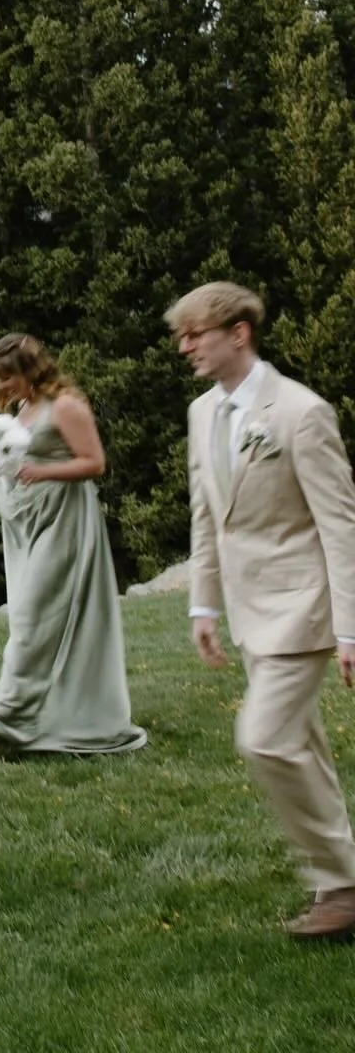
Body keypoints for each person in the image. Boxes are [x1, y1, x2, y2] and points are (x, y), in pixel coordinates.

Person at [171, 280, 355, 941]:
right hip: (249, 612)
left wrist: (349, 627)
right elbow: (206, 514)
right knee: (300, 743)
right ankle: (338, 887)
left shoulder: (301, 413)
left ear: (239, 332)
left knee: (265, 738)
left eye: (196, 333)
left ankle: (342, 880)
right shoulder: (201, 413)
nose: (184, 346)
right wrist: (203, 602)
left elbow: (340, 524)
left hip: (304, 606)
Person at [0, 332, 145, 756]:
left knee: (35, 615)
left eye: (5, 377)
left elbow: (94, 463)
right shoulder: (22, 408)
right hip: (27, 522)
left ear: (29, 370)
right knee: (27, 617)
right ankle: (26, 727)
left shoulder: (66, 405)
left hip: (65, 521)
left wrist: (41, 472)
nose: (0, 387)